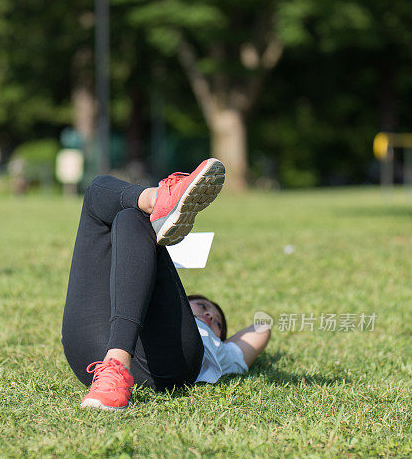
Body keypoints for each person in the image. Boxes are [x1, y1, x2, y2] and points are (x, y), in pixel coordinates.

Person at [62, 158, 271, 410]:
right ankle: (157, 199)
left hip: (168, 366)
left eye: (216, 322)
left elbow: (262, 329)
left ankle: (117, 366)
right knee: (98, 192)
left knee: (135, 220)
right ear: (187, 300)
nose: (209, 315)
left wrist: (224, 339)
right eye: (203, 306)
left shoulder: (222, 353)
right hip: (92, 356)